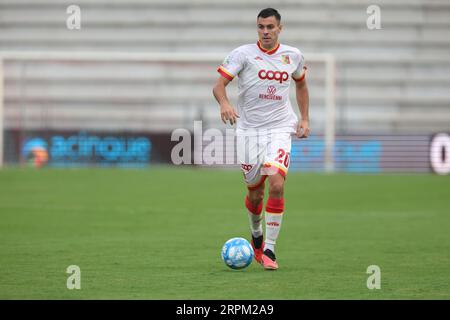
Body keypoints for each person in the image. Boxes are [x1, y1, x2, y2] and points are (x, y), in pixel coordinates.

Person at [212, 8, 310, 270]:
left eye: (270, 27)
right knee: (255, 194)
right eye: (261, 27)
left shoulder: (293, 56)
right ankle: (256, 233)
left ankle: (270, 250)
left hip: (280, 128)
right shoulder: (243, 54)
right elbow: (218, 85)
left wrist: (304, 118)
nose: (265, 32)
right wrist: (224, 104)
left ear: (280, 28)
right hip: (249, 131)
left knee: (277, 184)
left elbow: (301, 84)